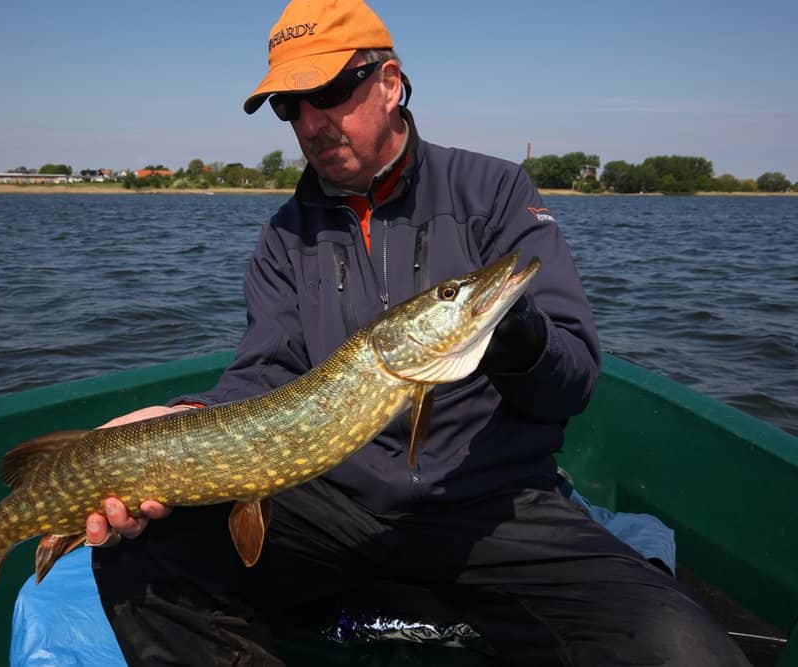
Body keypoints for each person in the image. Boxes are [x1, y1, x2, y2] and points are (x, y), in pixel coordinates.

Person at [84, 1, 749, 664]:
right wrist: (183, 418)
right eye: (291, 106)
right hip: (334, 506)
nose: (312, 122)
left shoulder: (493, 191)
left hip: (491, 506)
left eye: (329, 92)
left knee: (685, 650)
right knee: (138, 555)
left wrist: (515, 333)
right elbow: (265, 372)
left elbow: (571, 380)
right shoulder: (285, 236)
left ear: (390, 82)